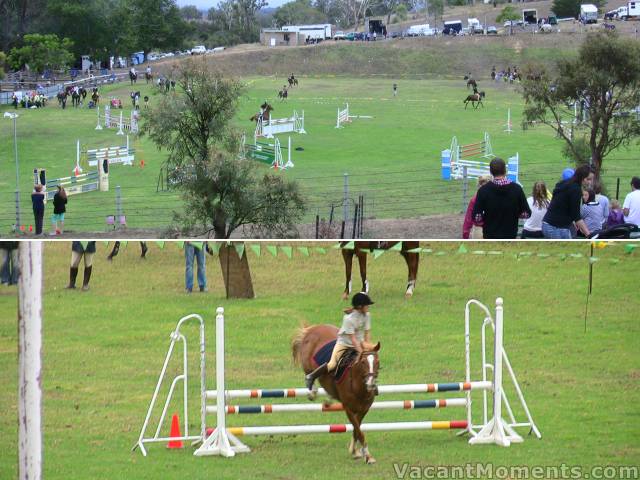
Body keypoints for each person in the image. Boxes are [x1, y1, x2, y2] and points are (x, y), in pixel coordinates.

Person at [305, 292, 374, 392]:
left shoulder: (367, 315)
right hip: (344, 344)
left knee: (371, 359)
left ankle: (371, 381)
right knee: (332, 364)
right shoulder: (348, 319)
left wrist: (369, 347)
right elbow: (352, 339)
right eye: (367, 305)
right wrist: (361, 352)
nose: (368, 307)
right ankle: (311, 377)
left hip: (360, 342)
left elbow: (367, 332)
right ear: (360, 306)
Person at [472, 158, 531, 239]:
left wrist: (486, 218)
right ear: (505, 170)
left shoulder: (483, 191)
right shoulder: (516, 189)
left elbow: (476, 217)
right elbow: (527, 213)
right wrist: (514, 213)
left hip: (490, 234)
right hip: (510, 234)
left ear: (491, 171)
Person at [542, 164, 594, 239]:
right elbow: (577, 217)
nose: (590, 182)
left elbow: (567, 208)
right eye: (588, 179)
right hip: (554, 227)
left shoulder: (566, 184)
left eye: (592, 179)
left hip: (557, 226)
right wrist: (589, 235)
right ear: (582, 177)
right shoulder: (575, 189)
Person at [462, 175, 492, 239]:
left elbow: (468, 218)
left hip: (479, 228)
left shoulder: (475, 199)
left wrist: (465, 233)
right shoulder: (497, 197)